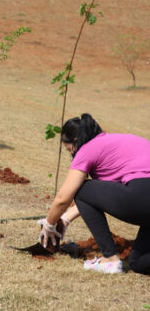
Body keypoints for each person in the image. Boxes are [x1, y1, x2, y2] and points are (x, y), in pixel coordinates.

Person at [37, 113, 150, 275]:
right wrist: (66, 219)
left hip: (143, 194)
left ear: (75, 142)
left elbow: (64, 198)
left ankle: (110, 259)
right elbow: (100, 198)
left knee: (82, 188)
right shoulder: (119, 142)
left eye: (69, 150)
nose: (72, 154)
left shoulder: (88, 149)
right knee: (138, 263)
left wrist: (49, 224)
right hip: (144, 196)